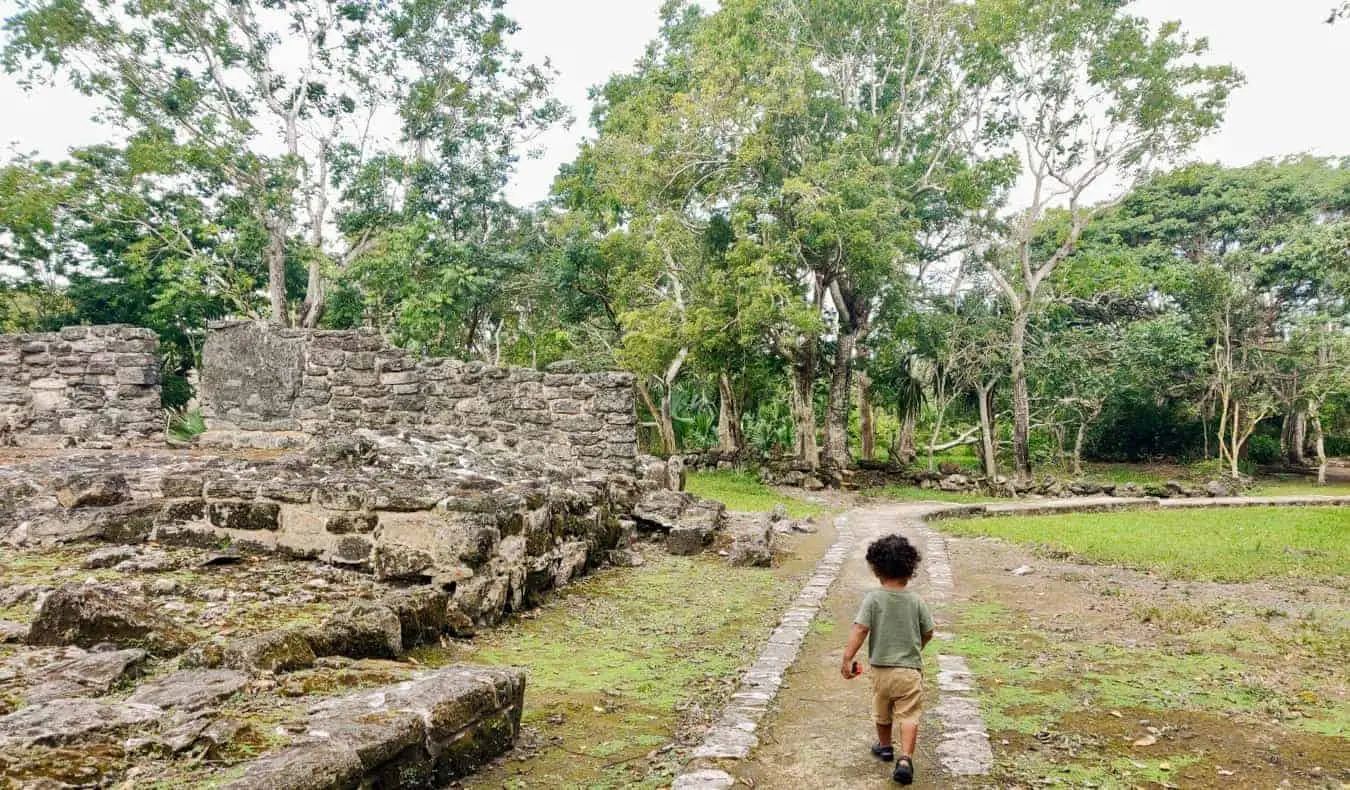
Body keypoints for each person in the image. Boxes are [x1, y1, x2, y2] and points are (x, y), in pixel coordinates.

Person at [840, 534, 935, 785]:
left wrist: (847, 658)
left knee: (882, 710)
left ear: (876, 569)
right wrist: (916, 648)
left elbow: (860, 629)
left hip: (881, 671)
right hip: (909, 671)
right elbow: (928, 632)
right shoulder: (916, 600)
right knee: (908, 715)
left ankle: (884, 747)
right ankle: (905, 759)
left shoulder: (874, 599)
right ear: (910, 569)